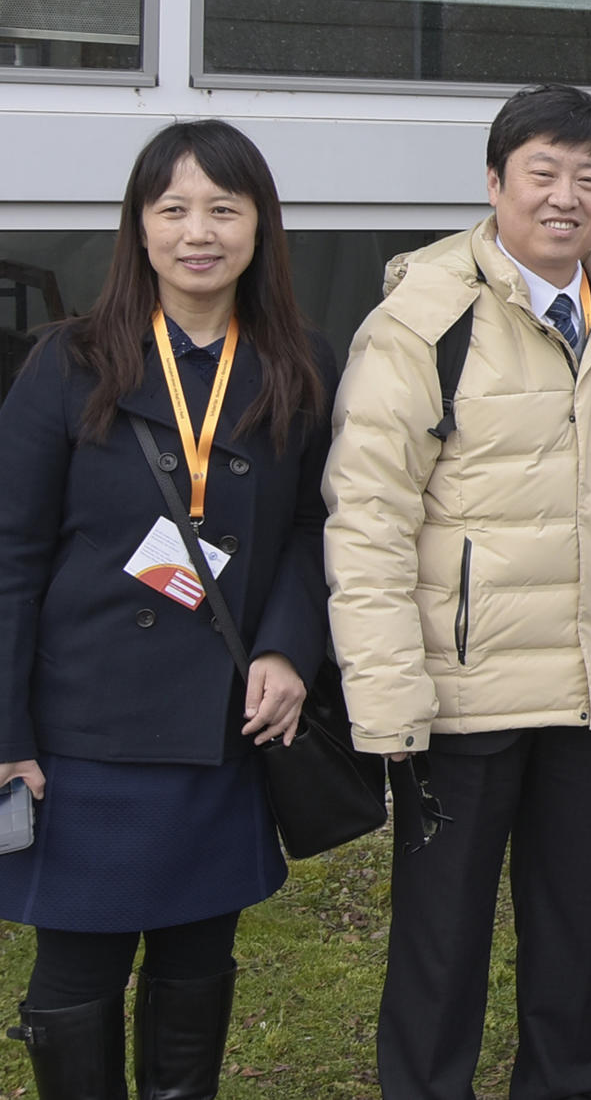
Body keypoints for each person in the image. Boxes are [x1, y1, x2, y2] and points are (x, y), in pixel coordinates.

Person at [322, 84, 591, 1100]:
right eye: (543, 172)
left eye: (589, 176)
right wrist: (386, 691)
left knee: (569, 927)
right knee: (442, 940)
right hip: (461, 694)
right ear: (494, 184)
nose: (565, 197)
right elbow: (369, 517)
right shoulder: (422, 322)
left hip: (586, 687)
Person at [0, 121, 335, 1098]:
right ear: (138, 228)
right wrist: (6, 730)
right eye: (174, 208)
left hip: (219, 728)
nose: (200, 231)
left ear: (258, 226)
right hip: (82, 736)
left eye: (224, 208)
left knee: (197, 967)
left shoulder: (296, 364)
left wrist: (286, 648)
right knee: (77, 974)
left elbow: (314, 531)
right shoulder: (64, 363)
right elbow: (10, 556)